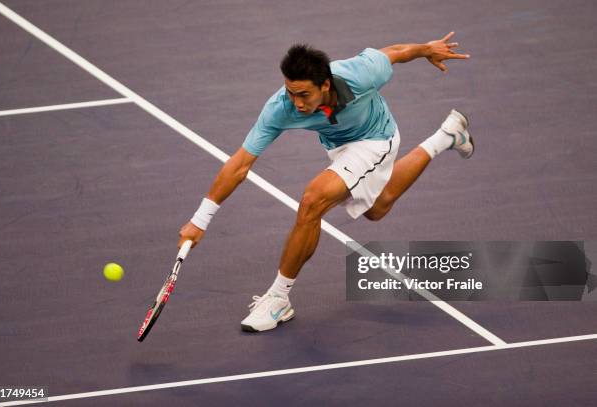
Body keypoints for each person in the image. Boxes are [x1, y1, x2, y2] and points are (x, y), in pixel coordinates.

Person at [178, 32, 473, 332]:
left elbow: (394, 51)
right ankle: (447, 136)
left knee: (312, 200)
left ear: (326, 85)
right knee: (376, 208)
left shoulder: (361, 74)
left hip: (375, 137)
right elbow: (239, 164)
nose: (296, 103)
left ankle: (278, 298)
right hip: (338, 146)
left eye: (304, 95)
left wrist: (426, 50)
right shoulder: (280, 108)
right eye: (290, 92)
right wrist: (200, 220)